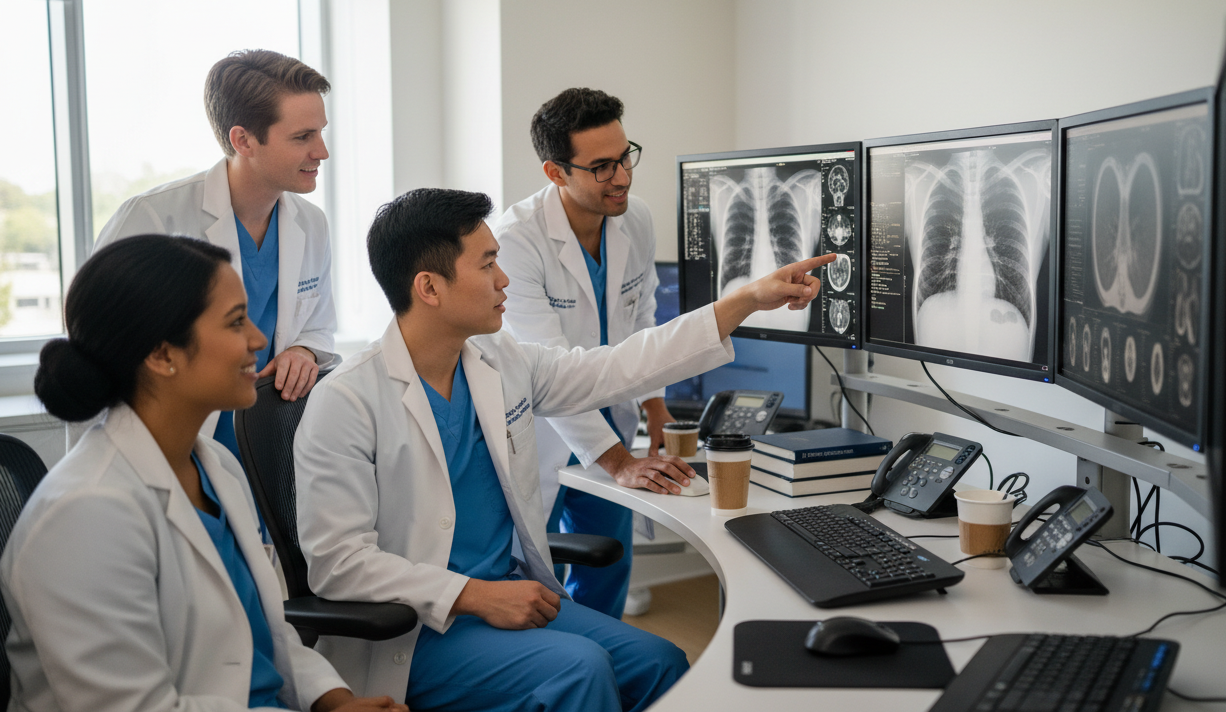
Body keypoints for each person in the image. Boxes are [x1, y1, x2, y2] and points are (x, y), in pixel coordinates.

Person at [294, 188, 830, 710]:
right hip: (418, 629)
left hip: (508, 593)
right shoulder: (346, 401)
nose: (504, 280)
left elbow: (617, 365)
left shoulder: (496, 360)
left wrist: (743, 301)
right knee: (581, 669)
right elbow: (338, 564)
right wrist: (475, 596)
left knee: (661, 660)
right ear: (430, 287)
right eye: (487, 266)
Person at [1, 235, 405, 712]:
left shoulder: (216, 467)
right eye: (236, 322)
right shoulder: (86, 513)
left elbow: (265, 633)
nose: (259, 339)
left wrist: (332, 700)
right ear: (162, 355)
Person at [494, 88, 683, 619]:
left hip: (611, 416)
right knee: (536, 581)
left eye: (625, 157)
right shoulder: (516, 240)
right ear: (556, 173)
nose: (622, 177)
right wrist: (620, 462)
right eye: (601, 167)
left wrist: (655, 406)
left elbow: (639, 320)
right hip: (537, 428)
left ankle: (607, 671)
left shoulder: (635, 219)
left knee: (608, 566)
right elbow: (549, 373)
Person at [95, 49, 336, 460]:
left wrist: (304, 351)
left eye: (320, 132)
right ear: (242, 140)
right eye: (302, 137)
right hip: (164, 448)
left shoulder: (310, 224)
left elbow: (317, 325)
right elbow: (98, 344)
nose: (322, 152)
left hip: (271, 453)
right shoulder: (153, 218)